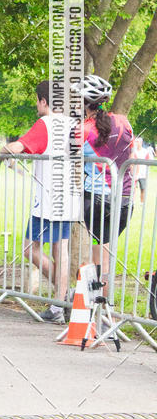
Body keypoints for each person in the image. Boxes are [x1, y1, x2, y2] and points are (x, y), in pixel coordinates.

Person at [0, 80, 78, 324]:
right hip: (69, 195)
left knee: (29, 248)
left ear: (44, 101)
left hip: (47, 199)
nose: (36, 104)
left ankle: (64, 297)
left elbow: (17, 147)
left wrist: (4, 149)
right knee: (60, 250)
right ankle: (62, 300)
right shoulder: (73, 124)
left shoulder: (45, 123)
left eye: (37, 100)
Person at [79, 75, 134, 295]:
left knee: (99, 250)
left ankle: (99, 305)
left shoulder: (82, 130)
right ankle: (104, 303)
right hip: (125, 198)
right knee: (106, 249)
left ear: (83, 103)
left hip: (97, 198)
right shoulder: (123, 121)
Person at [132, 136, 153, 204]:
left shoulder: (145, 151)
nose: (136, 143)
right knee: (133, 188)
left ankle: (142, 202)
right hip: (134, 173)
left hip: (143, 174)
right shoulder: (133, 151)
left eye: (137, 142)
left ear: (141, 142)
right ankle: (133, 201)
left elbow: (149, 161)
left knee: (143, 188)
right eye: (136, 141)